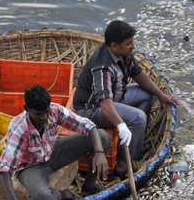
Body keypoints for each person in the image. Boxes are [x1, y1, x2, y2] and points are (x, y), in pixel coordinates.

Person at [72, 20, 178, 175]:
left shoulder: (124, 54)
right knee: (138, 118)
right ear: (114, 46)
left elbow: (138, 74)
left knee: (147, 95)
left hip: (115, 95)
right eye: (129, 43)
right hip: (91, 108)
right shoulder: (102, 67)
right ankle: (125, 161)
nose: (132, 46)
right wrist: (121, 125)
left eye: (132, 42)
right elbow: (105, 103)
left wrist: (161, 95)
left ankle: (134, 141)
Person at [0, 84, 111, 200]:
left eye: (46, 112)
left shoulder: (54, 110)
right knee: (46, 198)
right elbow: (4, 169)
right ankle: (62, 194)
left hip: (52, 152)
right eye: (38, 114)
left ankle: (89, 186)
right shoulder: (18, 128)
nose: (44, 117)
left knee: (102, 137)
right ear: (26, 109)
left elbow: (87, 126)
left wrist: (99, 152)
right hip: (30, 166)